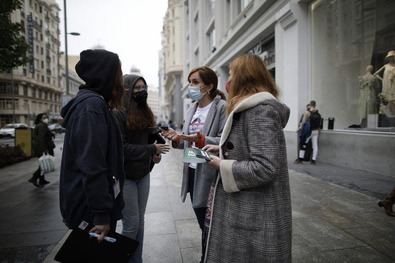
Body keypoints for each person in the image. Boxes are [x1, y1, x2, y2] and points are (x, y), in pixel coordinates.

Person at [203, 54, 291, 262]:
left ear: (244, 78)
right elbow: (251, 148)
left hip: (255, 215)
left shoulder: (260, 110)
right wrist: (222, 149)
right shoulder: (251, 109)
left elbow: (265, 167)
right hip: (249, 211)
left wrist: (221, 164)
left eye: (232, 74)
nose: (228, 81)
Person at [161, 66, 227, 263]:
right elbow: (187, 143)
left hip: (210, 173)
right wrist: (175, 138)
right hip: (191, 171)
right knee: (202, 222)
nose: (191, 86)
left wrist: (197, 138)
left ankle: (207, 257)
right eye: (190, 82)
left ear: (209, 86)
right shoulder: (192, 108)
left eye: (195, 82)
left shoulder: (221, 107)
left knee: (210, 224)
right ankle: (208, 256)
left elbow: (224, 140)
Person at [59, 49, 125, 242]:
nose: (121, 81)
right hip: (90, 212)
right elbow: (92, 165)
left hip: (90, 208)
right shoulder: (91, 108)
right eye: (118, 74)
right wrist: (102, 215)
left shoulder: (95, 104)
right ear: (106, 75)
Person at [113, 74, 170, 263]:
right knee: (131, 224)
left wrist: (155, 155)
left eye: (143, 87)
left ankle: (137, 260)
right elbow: (121, 148)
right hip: (126, 176)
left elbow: (148, 139)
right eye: (136, 88)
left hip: (143, 174)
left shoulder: (145, 111)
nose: (141, 91)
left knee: (140, 221)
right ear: (126, 90)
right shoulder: (118, 113)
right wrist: (151, 149)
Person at [28, 113, 55, 187]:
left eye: (46, 117)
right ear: (40, 119)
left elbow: (44, 135)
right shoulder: (41, 126)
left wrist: (51, 134)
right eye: (44, 117)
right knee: (45, 163)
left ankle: (42, 180)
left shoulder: (42, 125)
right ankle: (34, 177)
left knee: (43, 163)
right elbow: (41, 138)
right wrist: (44, 149)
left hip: (42, 147)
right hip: (43, 148)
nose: (46, 118)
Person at [308, 100, 321, 164]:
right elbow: (319, 124)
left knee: (304, 143)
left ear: (310, 105)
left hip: (310, 130)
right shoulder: (318, 114)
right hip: (316, 130)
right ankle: (313, 159)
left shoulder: (309, 112)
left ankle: (302, 158)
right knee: (315, 145)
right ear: (315, 105)